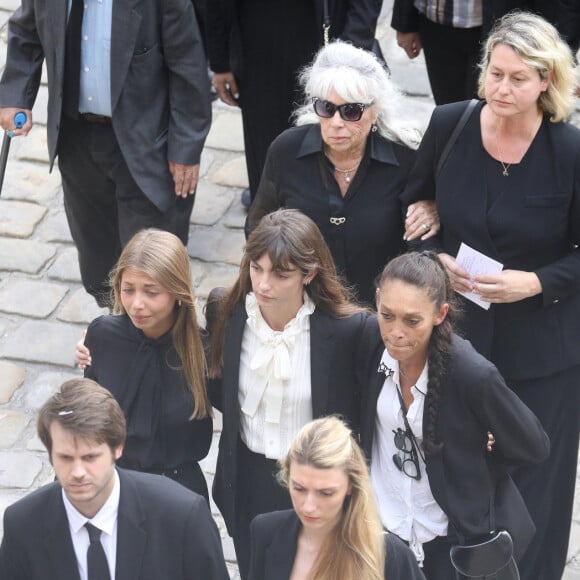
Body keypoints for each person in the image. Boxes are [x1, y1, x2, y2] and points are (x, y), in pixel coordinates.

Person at [402, 12, 580, 579]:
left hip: (543, 352)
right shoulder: (450, 124)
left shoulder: (570, 152)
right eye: (494, 74)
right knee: (460, 478)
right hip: (461, 342)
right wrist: (435, 255)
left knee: (539, 489)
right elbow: (409, 211)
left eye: (518, 79)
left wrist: (537, 282)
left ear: (546, 82)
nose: (502, 89)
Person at [0, 0, 211, 307]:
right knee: (97, 258)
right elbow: (26, 31)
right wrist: (16, 95)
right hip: (77, 140)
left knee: (151, 264)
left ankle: (157, 343)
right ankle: (116, 334)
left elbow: (188, 63)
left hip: (146, 145)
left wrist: (186, 148)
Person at [358, 252, 550, 580]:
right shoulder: (369, 342)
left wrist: (485, 455)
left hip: (448, 541)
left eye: (412, 320)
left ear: (440, 313)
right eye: (387, 315)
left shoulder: (472, 374)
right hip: (383, 531)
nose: (396, 332)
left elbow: (534, 445)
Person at [206, 208, 369, 579]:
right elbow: (214, 384)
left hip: (315, 482)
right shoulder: (225, 311)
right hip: (246, 480)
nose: (264, 284)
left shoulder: (348, 330)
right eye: (256, 268)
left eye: (280, 275)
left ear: (308, 274)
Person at [248, 41, 438, 305]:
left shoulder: (404, 159)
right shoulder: (286, 152)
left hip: (378, 310)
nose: (336, 123)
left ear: (375, 112)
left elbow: (420, 241)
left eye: (351, 111)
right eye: (326, 108)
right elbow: (259, 227)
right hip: (304, 304)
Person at [0, 378, 229, 580]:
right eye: (66, 457)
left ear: (118, 448)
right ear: (50, 453)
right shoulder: (23, 525)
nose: (78, 471)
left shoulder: (181, 516)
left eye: (90, 457)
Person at [75, 229, 212, 499]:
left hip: (178, 492)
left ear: (178, 292)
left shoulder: (202, 349)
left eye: (151, 292)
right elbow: (88, 420)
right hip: (113, 487)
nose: (137, 304)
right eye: (128, 290)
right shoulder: (103, 335)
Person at [207, 0, 381, 208]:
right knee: (266, 159)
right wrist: (220, 61)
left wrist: (352, 51)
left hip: (324, 40)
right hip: (257, 48)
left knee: (329, 147)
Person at [248, 416, 426, 580]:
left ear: (350, 485)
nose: (309, 506)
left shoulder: (390, 555)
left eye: (326, 493)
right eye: (299, 488)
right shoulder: (266, 531)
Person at [392, 0, 483, 105]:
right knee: (447, 111)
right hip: (435, 24)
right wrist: (405, 21)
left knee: (484, 110)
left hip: (493, 22)